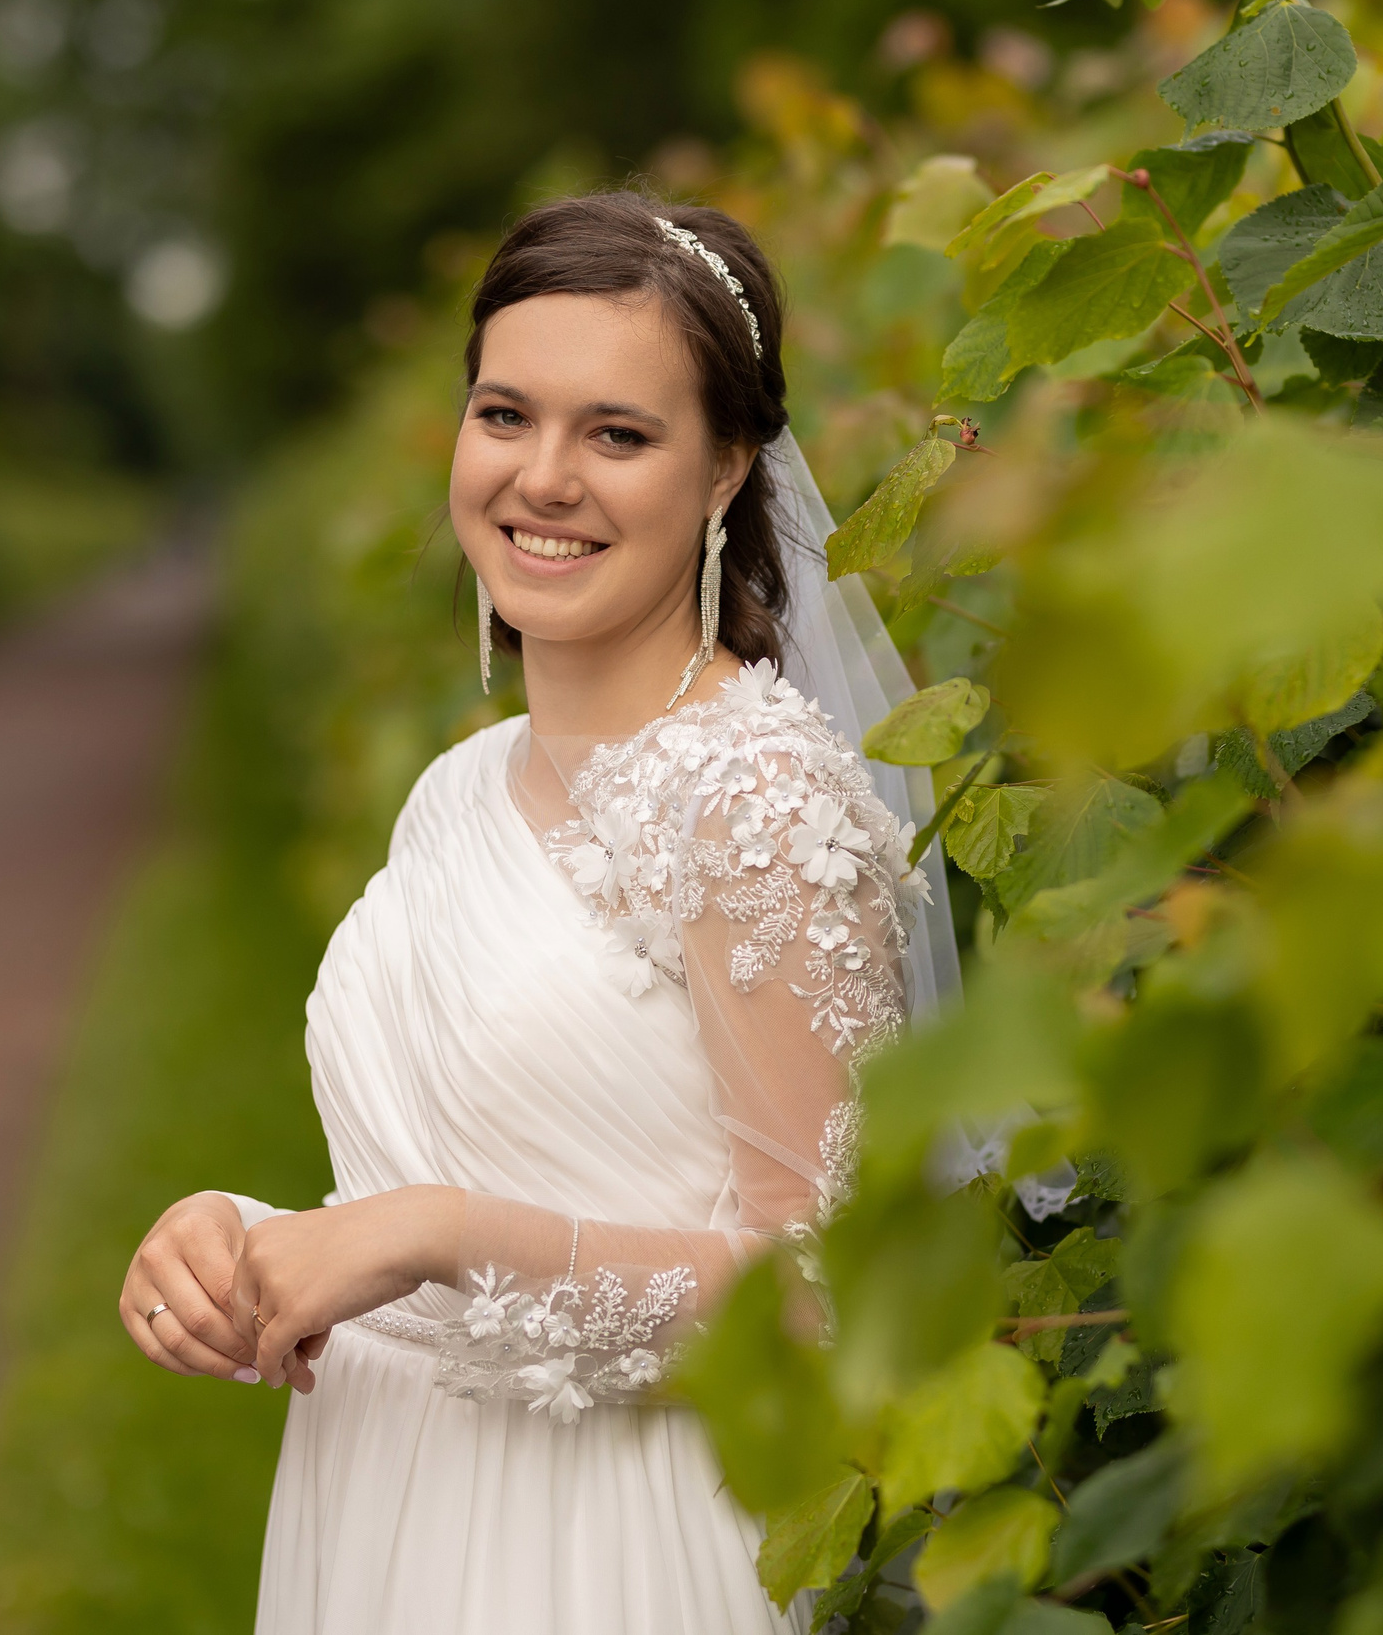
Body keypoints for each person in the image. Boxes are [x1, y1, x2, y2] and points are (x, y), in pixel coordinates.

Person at [117, 190, 955, 1632]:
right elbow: (455, 1179)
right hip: (387, 1503)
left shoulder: (755, 802)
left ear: (724, 470)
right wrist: (247, 1242)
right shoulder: (458, 786)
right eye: (506, 414)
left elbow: (828, 1288)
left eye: (617, 434)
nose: (543, 477)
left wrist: (429, 1231)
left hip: (618, 1549)